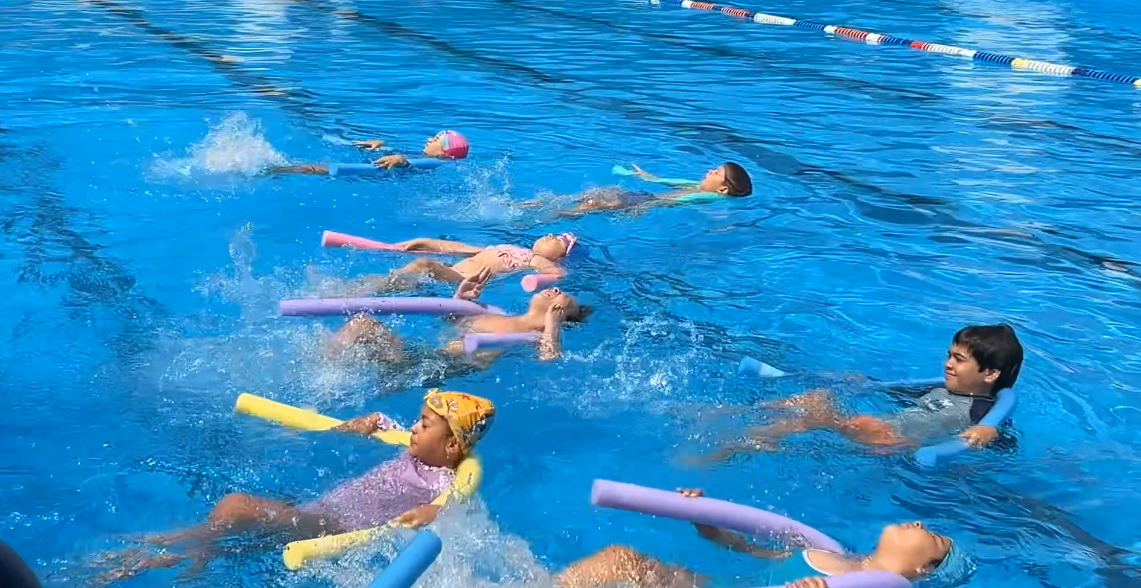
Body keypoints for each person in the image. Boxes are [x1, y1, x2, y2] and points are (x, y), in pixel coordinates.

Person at [92, 390, 494, 584]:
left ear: (452, 445)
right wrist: (359, 424)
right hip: (316, 514)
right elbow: (368, 426)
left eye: (424, 425)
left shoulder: (442, 477)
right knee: (242, 536)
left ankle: (184, 546)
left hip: (332, 526)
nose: (414, 427)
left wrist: (433, 512)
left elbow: (456, 500)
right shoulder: (408, 447)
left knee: (235, 506)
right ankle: (169, 552)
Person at [712, 324, 1023, 460]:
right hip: (883, 430)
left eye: (959, 359)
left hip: (894, 441)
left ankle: (747, 432)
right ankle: (754, 428)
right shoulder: (940, 387)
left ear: (990, 374)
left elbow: (1002, 418)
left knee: (818, 407)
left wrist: (988, 429)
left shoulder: (984, 408)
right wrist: (863, 383)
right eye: (949, 355)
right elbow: (895, 391)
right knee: (815, 405)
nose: (947, 364)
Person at [556, 489, 962, 588]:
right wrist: (707, 521)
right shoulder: (831, 553)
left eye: (937, 537)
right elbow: (744, 550)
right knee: (619, 557)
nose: (922, 525)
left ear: (923, 569)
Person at [329, 268, 591, 366]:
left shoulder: (534, 337)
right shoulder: (494, 311)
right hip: (422, 359)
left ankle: (319, 387)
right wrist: (460, 298)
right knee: (361, 324)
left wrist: (552, 328)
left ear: (565, 318)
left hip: (435, 369)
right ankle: (320, 376)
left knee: (362, 325)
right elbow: (448, 320)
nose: (557, 289)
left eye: (565, 297)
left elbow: (549, 360)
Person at [349, 233, 577, 294]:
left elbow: (558, 273)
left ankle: (369, 288)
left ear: (560, 254)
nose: (550, 235)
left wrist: (539, 278)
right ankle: (370, 286)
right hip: (452, 271)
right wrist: (424, 241)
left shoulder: (534, 260)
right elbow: (458, 248)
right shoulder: (507, 247)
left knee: (424, 265)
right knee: (421, 267)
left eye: (557, 240)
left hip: (463, 281)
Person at [524, 162, 752, 216]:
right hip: (640, 197)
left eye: (716, 173)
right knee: (591, 198)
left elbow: (675, 201)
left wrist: (642, 208)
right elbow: (666, 182)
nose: (710, 170)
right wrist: (646, 176)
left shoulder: (705, 195)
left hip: (639, 201)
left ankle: (544, 211)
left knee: (590, 202)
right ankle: (534, 208)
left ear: (723, 190)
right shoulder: (695, 184)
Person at [269, 130, 470, 175]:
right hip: (383, 172)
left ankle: (273, 170)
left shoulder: (439, 163)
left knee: (312, 168)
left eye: (435, 140)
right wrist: (381, 146)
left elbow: (412, 164)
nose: (428, 139)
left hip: (374, 176)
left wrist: (401, 161)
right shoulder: (429, 157)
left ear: (445, 153)